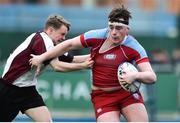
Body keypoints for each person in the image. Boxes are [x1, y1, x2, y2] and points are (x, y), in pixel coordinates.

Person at [30, 6, 157, 122]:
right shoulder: (97, 36)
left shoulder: (134, 47)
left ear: (127, 29)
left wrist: (134, 76)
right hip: (103, 97)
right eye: (111, 27)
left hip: (126, 94)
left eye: (118, 28)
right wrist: (41, 57)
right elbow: (68, 44)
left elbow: (151, 77)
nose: (113, 32)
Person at [0, 15, 93, 122]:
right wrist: (84, 66)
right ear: (50, 30)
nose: (64, 38)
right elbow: (57, 66)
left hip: (28, 90)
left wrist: (96, 56)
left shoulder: (51, 45)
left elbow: (71, 59)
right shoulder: (43, 40)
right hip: (9, 89)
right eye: (62, 34)